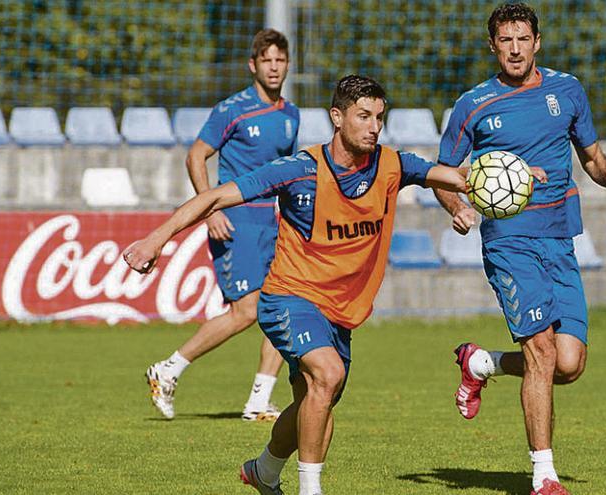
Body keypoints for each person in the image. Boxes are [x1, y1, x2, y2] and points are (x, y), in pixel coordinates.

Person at [124, 75, 517, 495]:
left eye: (380, 117)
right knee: (326, 376)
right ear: (337, 117)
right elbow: (215, 198)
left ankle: (264, 470)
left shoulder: (392, 165)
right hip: (288, 299)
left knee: (317, 401)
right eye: (364, 116)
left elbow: (457, 177)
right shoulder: (300, 170)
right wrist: (156, 239)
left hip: (339, 312)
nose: (374, 126)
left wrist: (511, 176)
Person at [434, 4, 606, 495]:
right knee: (542, 350)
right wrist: (456, 207)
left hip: (560, 238)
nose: (515, 48)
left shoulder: (566, 90)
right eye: (505, 40)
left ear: (537, 41)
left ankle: (481, 363)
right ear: (493, 46)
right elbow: (443, 171)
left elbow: (591, 156)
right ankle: (544, 476)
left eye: (523, 38)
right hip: (508, 241)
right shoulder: (474, 104)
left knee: (568, 363)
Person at [144, 29, 298, 421]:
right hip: (237, 221)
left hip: (273, 222)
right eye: (267, 60)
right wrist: (210, 210)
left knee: (283, 307)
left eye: (280, 60)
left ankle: (259, 402)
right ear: (253, 65)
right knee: (246, 311)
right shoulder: (233, 110)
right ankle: (168, 369)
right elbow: (196, 156)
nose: (274, 67)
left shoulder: (290, 114)